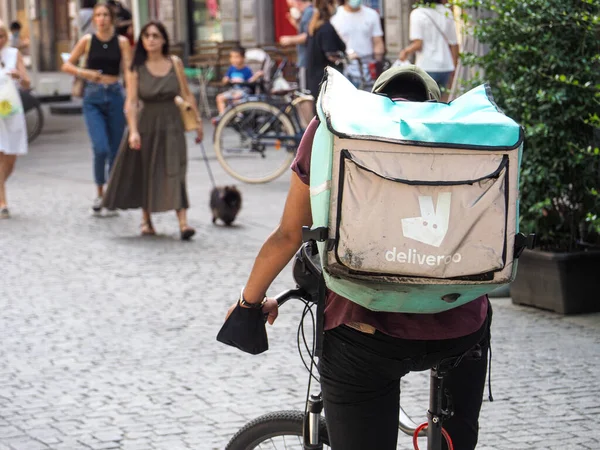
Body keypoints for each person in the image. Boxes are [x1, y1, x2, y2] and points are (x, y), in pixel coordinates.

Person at [223, 66, 491, 450]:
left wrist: (249, 303)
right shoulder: (467, 140)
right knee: (456, 437)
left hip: (364, 331)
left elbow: (287, 234)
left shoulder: (332, 130)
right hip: (460, 325)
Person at [102, 21, 202, 241]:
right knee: (147, 170)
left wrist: (197, 122)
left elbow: (187, 94)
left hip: (172, 123)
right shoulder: (136, 68)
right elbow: (131, 102)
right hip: (146, 124)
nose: (151, 40)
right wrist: (134, 131)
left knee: (176, 170)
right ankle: (146, 220)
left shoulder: (174, 63)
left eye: (156, 35)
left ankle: (183, 223)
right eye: (147, 36)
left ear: (164, 39)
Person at [61, 3, 132, 216]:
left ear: (112, 19)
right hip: (92, 97)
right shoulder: (87, 40)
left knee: (115, 149)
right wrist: (86, 73)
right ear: (93, 20)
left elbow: (128, 71)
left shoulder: (122, 42)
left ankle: (111, 194)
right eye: (98, 15)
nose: (101, 19)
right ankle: (100, 192)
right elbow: (67, 65)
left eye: (105, 15)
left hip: (115, 95)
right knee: (100, 147)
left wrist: (130, 97)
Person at [0, 20, 30, 219]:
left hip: (10, 109)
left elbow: (27, 83)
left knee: (11, 159)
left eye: (1, 36)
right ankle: (2, 202)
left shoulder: (13, 54)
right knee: (1, 154)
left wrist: (18, 75)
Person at [398, 0, 459, 93]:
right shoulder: (447, 13)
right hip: (446, 66)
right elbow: (454, 43)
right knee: (443, 101)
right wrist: (454, 66)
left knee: (426, 100)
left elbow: (418, 44)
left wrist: (405, 52)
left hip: (426, 65)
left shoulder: (417, 13)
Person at [331, 0, 384, 87]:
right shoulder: (335, 16)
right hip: (345, 66)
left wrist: (377, 65)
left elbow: (378, 43)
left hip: (367, 67)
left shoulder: (372, 15)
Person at [305, 0, 346, 102]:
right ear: (329, 5)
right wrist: (347, 57)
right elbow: (331, 54)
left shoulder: (314, 26)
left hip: (315, 80)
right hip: (326, 82)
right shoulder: (326, 28)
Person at [215, 46, 263, 116]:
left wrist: (256, 76)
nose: (233, 60)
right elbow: (224, 80)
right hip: (233, 90)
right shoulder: (231, 69)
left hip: (243, 91)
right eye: (232, 57)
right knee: (219, 97)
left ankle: (239, 115)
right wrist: (226, 79)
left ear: (243, 58)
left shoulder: (247, 70)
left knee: (236, 98)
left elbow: (250, 81)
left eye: (236, 57)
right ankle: (222, 115)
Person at [279, 0, 314, 91]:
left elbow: (309, 36)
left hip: (307, 60)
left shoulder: (309, 12)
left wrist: (290, 40)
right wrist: (295, 23)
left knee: (305, 91)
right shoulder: (306, 13)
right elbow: (304, 31)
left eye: (291, 6)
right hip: (304, 59)